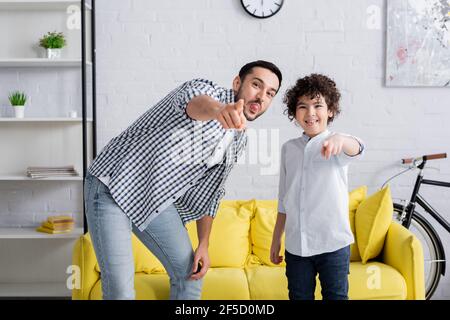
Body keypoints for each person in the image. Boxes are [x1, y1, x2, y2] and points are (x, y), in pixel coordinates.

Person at [84, 60, 282, 299]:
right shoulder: (204, 91)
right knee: (120, 292)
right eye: (256, 85)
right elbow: (195, 104)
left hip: (151, 198)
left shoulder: (238, 139)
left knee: (190, 275)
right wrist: (220, 111)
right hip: (112, 184)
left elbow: (211, 191)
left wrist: (204, 244)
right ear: (237, 83)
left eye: (270, 93)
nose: (261, 96)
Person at [270, 73, 364, 300]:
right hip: (296, 247)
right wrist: (276, 239)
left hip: (333, 244)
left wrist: (341, 140)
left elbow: (358, 147)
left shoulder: (337, 144)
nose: (310, 113)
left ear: (330, 110)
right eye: (303, 107)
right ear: (294, 113)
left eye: (318, 105)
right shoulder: (288, 149)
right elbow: (284, 199)